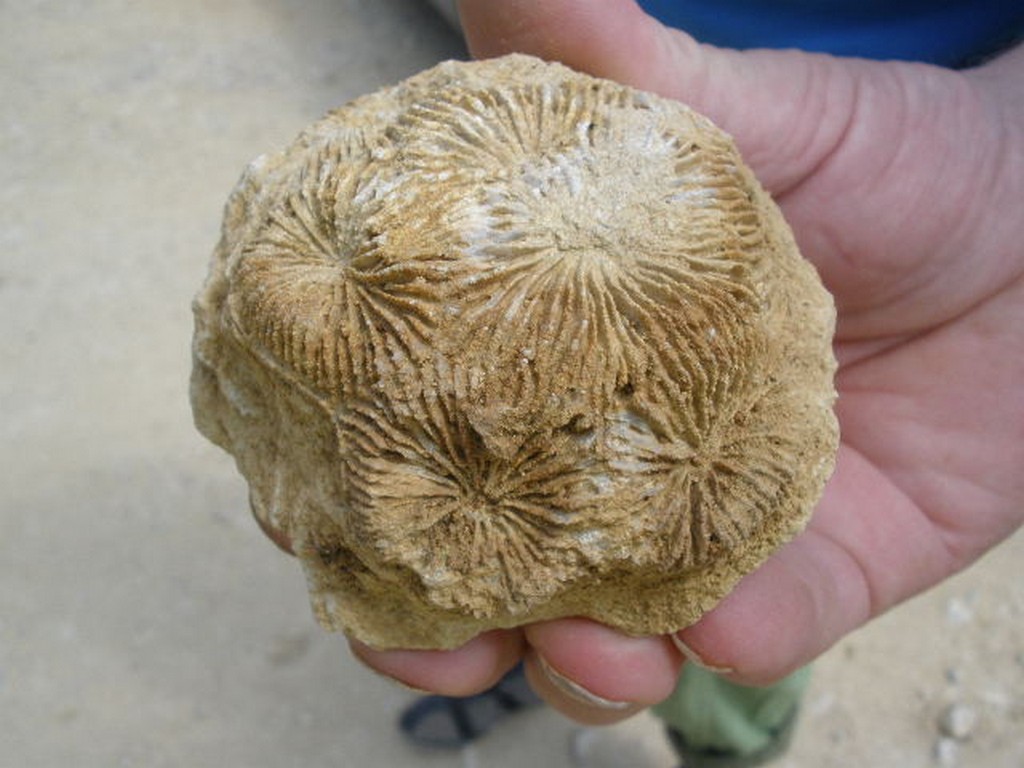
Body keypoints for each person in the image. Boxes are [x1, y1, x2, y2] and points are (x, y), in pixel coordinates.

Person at [346, 1, 1024, 764]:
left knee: (738, 622)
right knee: (535, 602)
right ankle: (525, 663)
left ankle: (729, 745)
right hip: (608, 118)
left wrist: (1011, 137)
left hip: (886, 107)